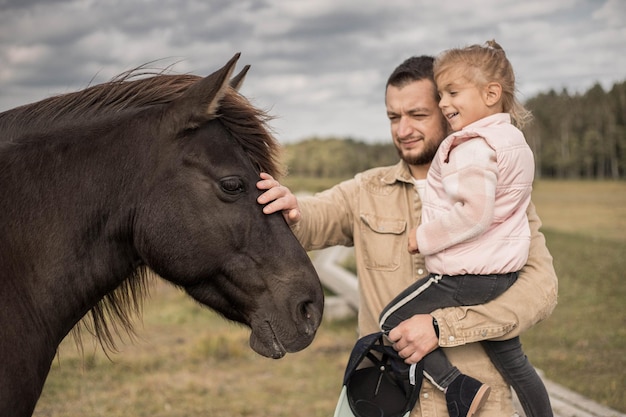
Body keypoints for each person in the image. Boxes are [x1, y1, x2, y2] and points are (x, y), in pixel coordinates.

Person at [256, 54, 557, 417]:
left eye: (417, 115)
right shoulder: (365, 190)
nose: (403, 129)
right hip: (383, 400)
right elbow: (314, 215)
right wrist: (291, 208)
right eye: (393, 117)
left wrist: (440, 328)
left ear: (448, 112)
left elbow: (540, 291)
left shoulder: (501, 201)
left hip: (477, 405)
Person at [377, 40, 552, 417]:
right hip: (501, 273)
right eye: (440, 94)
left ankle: (458, 388)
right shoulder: (512, 141)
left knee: (391, 320)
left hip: (464, 274)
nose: (444, 103)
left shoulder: (472, 145)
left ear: (491, 94)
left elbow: (473, 214)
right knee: (516, 363)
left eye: (452, 93)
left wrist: (422, 237)